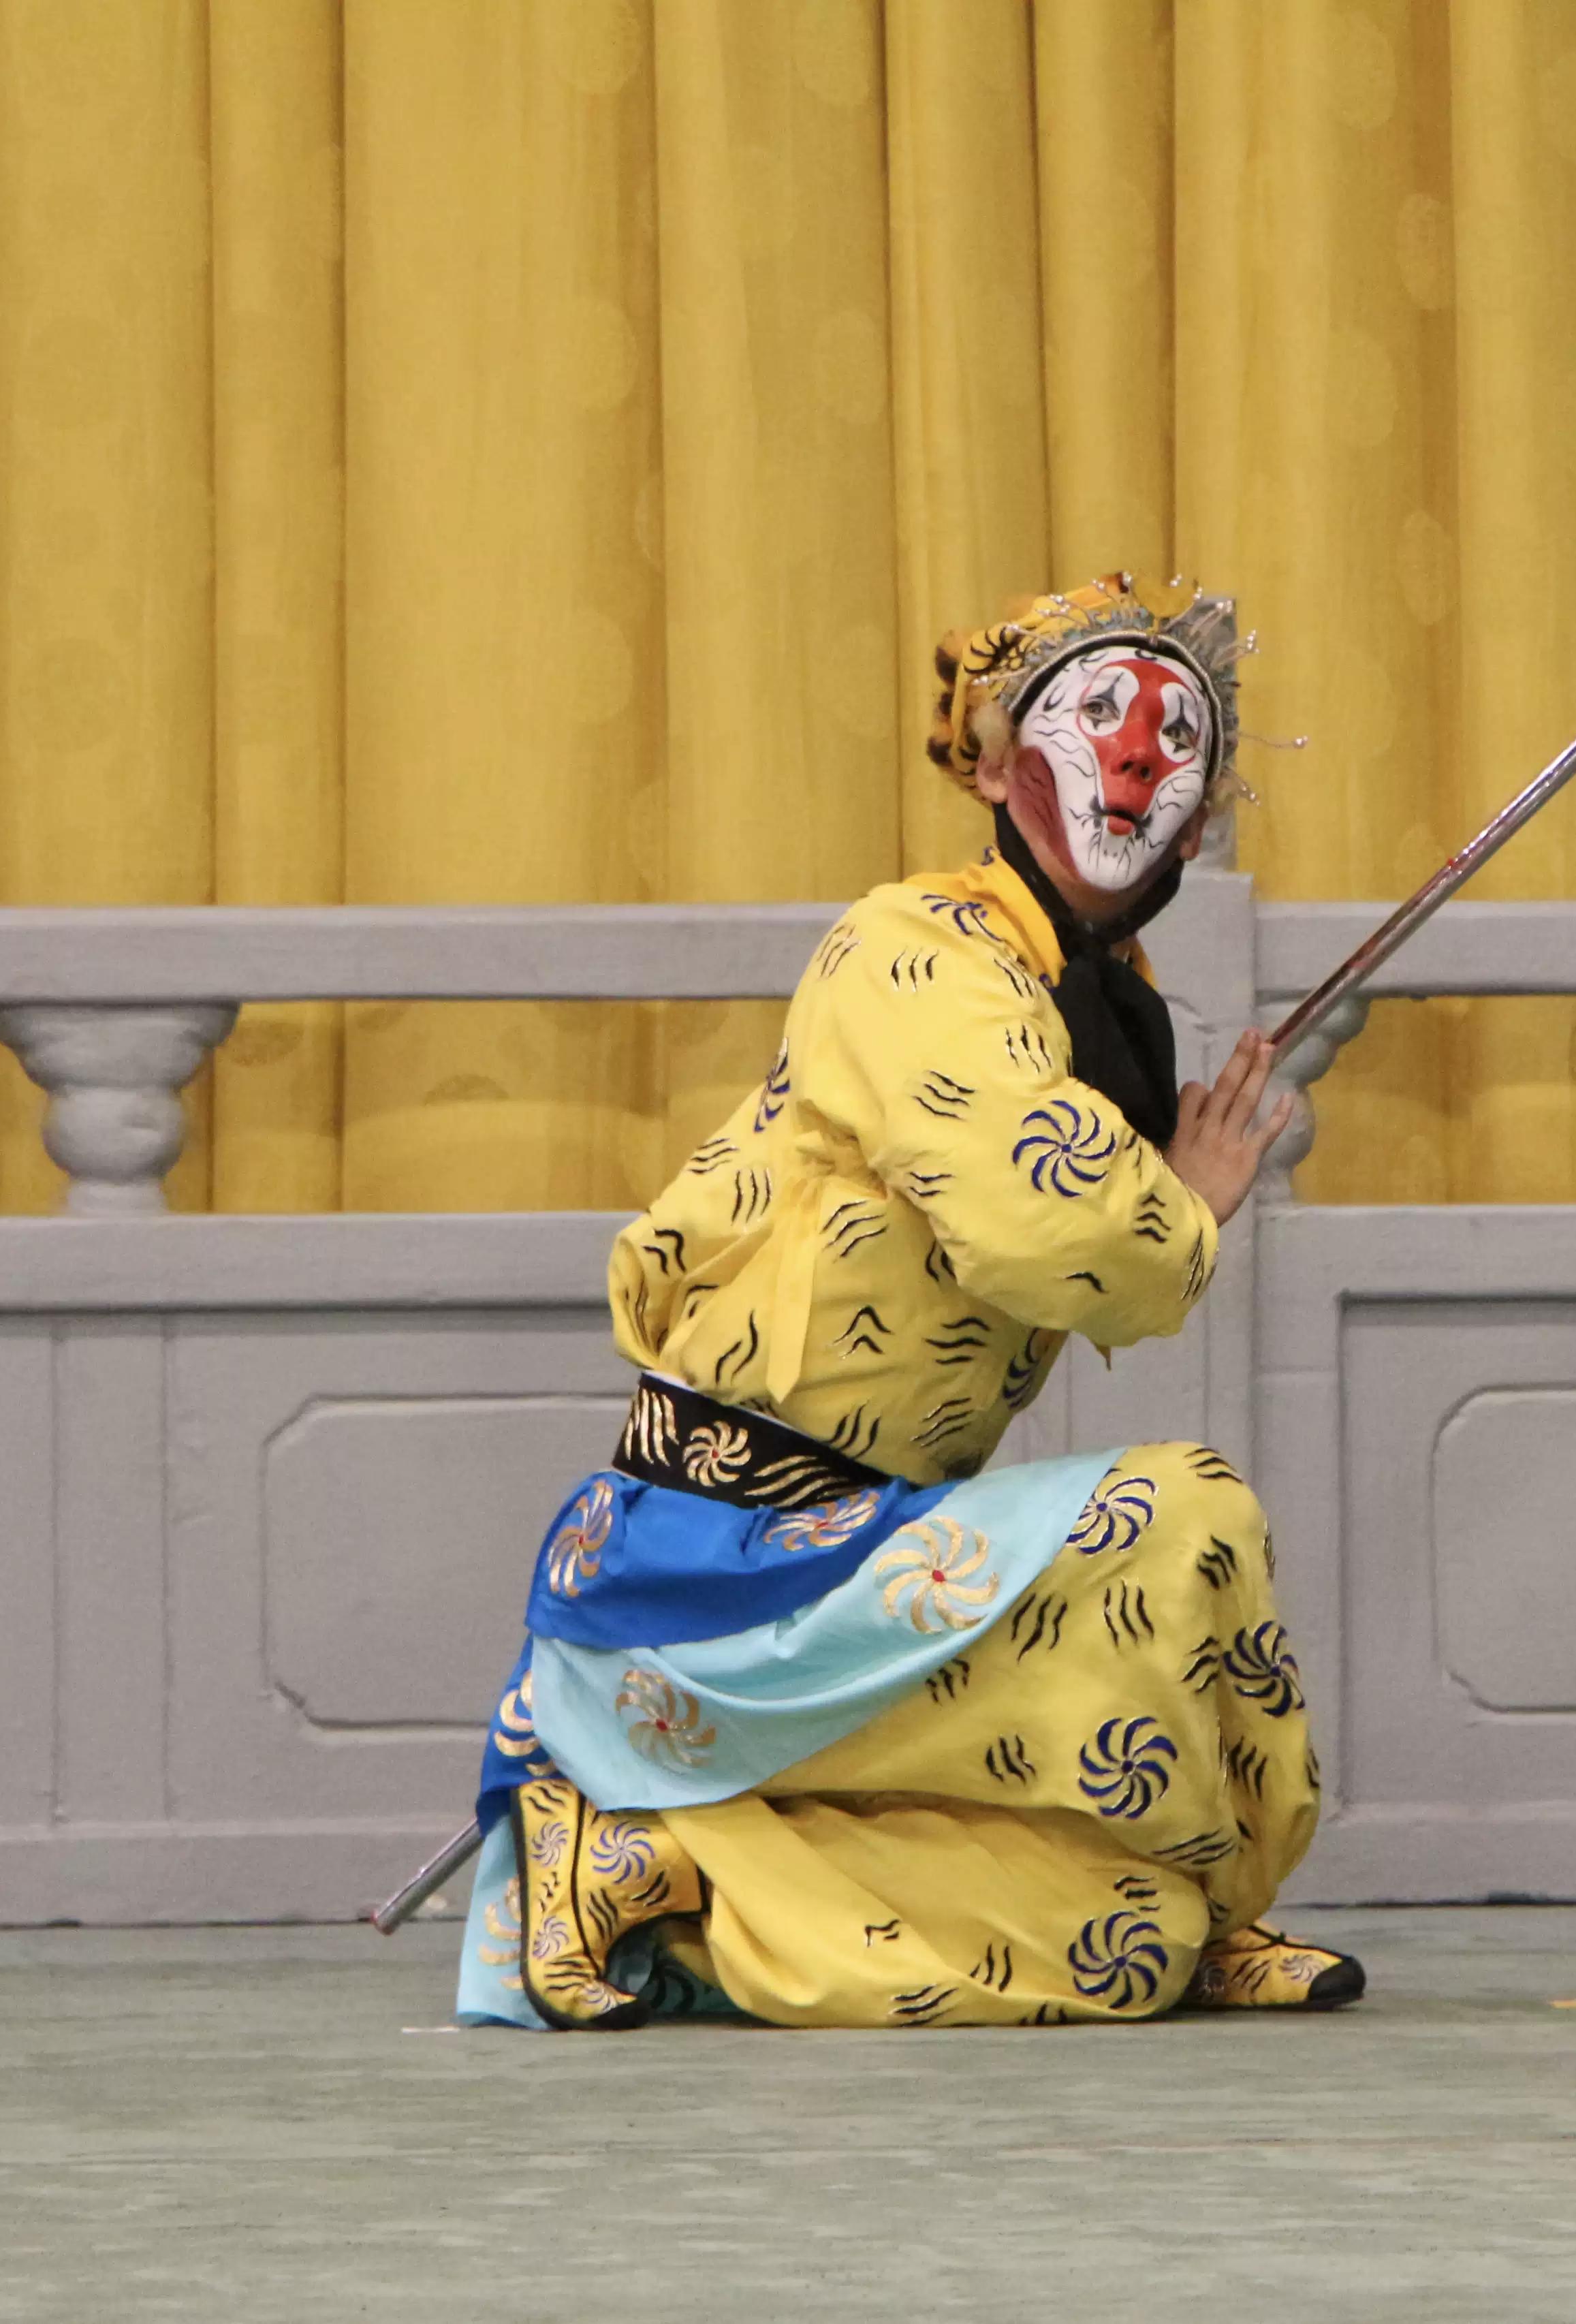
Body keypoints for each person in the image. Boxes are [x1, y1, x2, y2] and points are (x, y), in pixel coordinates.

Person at [457, 574, 1364, 2029]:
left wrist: (1167, 1194)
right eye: (1097, 717)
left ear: (1196, 820)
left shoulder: (1094, 996)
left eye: (1175, 740)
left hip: (879, 1542)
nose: (1136, 757)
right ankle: (636, 1841)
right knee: (1182, 1512)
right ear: (995, 767)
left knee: (1122, 1936)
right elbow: (1038, 1216)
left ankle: (652, 1872)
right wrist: (1182, 1208)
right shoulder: (914, 948)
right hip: (721, 1559)